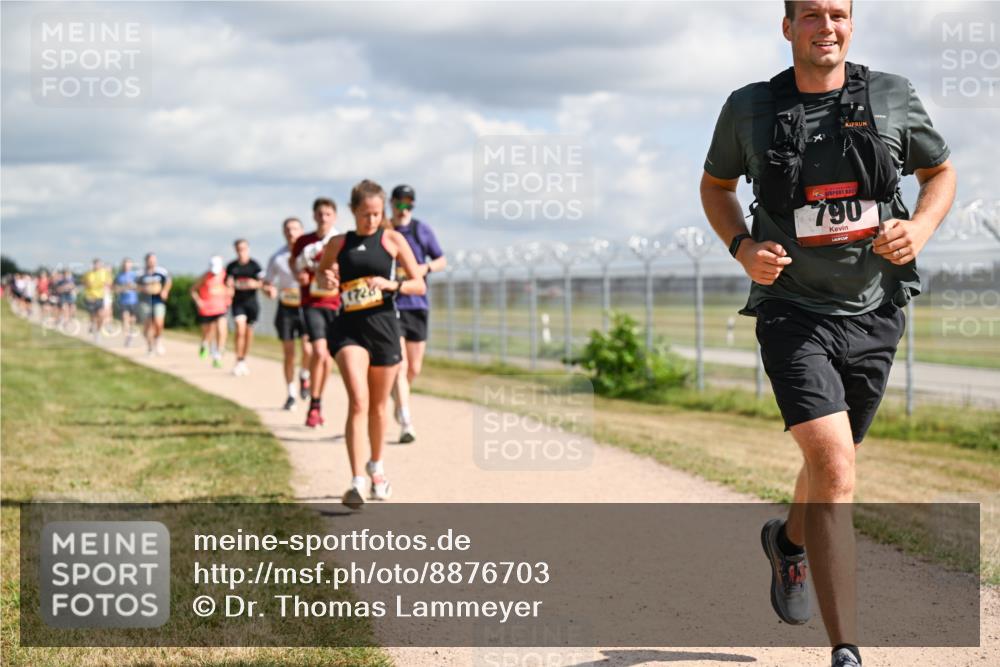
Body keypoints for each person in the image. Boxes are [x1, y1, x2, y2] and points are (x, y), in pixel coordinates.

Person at [700, 2, 956, 666]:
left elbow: (940, 173)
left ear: (851, 23)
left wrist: (920, 229)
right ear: (787, 27)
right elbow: (716, 185)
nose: (826, 26)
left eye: (838, 12)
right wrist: (741, 245)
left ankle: (787, 542)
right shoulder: (749, 109)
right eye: (810, 14)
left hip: (875, 312)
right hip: (792, 311)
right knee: (837, 467)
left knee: (826, 468)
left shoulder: (893, 96)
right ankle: (847, 650)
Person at [316, 179, 425, 509]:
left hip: (384, 328)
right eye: (365, 214)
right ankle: (356, 481)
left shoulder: (392, 239)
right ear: (353, 211)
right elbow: (321, 277)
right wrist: (328, 279)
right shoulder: (338, 243)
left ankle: (376, 468)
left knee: (378, 407)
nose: (372, 220)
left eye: (377, 214)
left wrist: (391, 285)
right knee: (358, 400)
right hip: (349, 327)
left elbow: (419, 283)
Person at [387, 184, 447, 444]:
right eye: (399, 203)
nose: (403, 208)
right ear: (391, 203)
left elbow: (442, 260)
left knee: (414, 368)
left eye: (408, 204)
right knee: (399, 366)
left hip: (418, 304)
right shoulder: (385, 231)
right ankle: (406, 420)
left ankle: (399, 399)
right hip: (393, 305)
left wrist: (424, 268)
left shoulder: (420, 230)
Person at [290, 198, 341, 427]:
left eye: (328, 214)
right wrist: (299, 275)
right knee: (319, 352)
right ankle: (314, 403)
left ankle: (317, 403)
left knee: (328, 356)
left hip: (335, 303)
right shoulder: (304, 241)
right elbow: (294, 263)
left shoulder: (341, 240)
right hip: (312, 303)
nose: (323, 218)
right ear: (314, 216)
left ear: (335, 217)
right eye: (320, 214)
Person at [264, 217, 314, 410]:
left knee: (309, 349)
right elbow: (267, 282)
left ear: (302, 230)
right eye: (287, 229)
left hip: (306, 304)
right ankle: (291, 392)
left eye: (295, 229)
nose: (291, 232)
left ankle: (304, 374)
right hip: (286, 306)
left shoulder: (311, 252)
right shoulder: (277, 257)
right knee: (289, 353)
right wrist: (269, 290)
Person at [226, 239, 264, 376]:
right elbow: (227, 283)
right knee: (239, 329)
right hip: (238, 303)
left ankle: (243, 359)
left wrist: (253, 284)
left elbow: (262, 283)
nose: (241, 251)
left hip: (252, 303)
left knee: (248, 333)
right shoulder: (231, 266)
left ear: (248, 249)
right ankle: (238, 360)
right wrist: (229, 287)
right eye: (238, 249)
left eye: (243, 248)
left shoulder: (255, 265)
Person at [191, 256, 230, 368]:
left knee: (221, 330)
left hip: (220, 308)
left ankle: (217, 355)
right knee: (207, 333)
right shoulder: (205, 276)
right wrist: (198, 301)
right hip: (207, 309)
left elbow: (229, 288)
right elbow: (193, 290)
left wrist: (229, 298)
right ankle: (204, 344)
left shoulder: (225, 276)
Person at [136, 253, 172, 355]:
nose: (152, 262)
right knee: (147, 326)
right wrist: (144, 289)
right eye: (150, 260)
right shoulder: (140, 273)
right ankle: (150, 347)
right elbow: (136, 286)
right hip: (145, 301)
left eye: (153, 260)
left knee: (158, 323)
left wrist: (165, 291)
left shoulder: (161, 271)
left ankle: (158, 341)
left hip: (158, 301)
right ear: (146, 261)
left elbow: (168, 281)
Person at [81, 258, 112, 341]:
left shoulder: (104, 273)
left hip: (100, 297)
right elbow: (83, 283)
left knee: (101, 315)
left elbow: (109, 283)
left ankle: (98, 331)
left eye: (98, 264)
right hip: (90, 297)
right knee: (93, 315)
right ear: (93, 265)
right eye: (95, 264)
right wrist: (88, 285)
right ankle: (92, 325)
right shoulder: (88, 274)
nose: (97, 266)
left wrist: (106, 285)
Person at [114, 258, 140, 347]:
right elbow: (116, 289)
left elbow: (140, 287)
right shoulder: (118, 276)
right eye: (125, 264)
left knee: (132, 320)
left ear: (131, 265)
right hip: (123, 301)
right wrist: (123, 288)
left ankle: (130, 333)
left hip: (134, 301)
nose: (126, 266)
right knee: (125, 319)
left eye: (128, 264)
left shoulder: (135, 275)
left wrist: (133, 286)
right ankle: (127, 338)